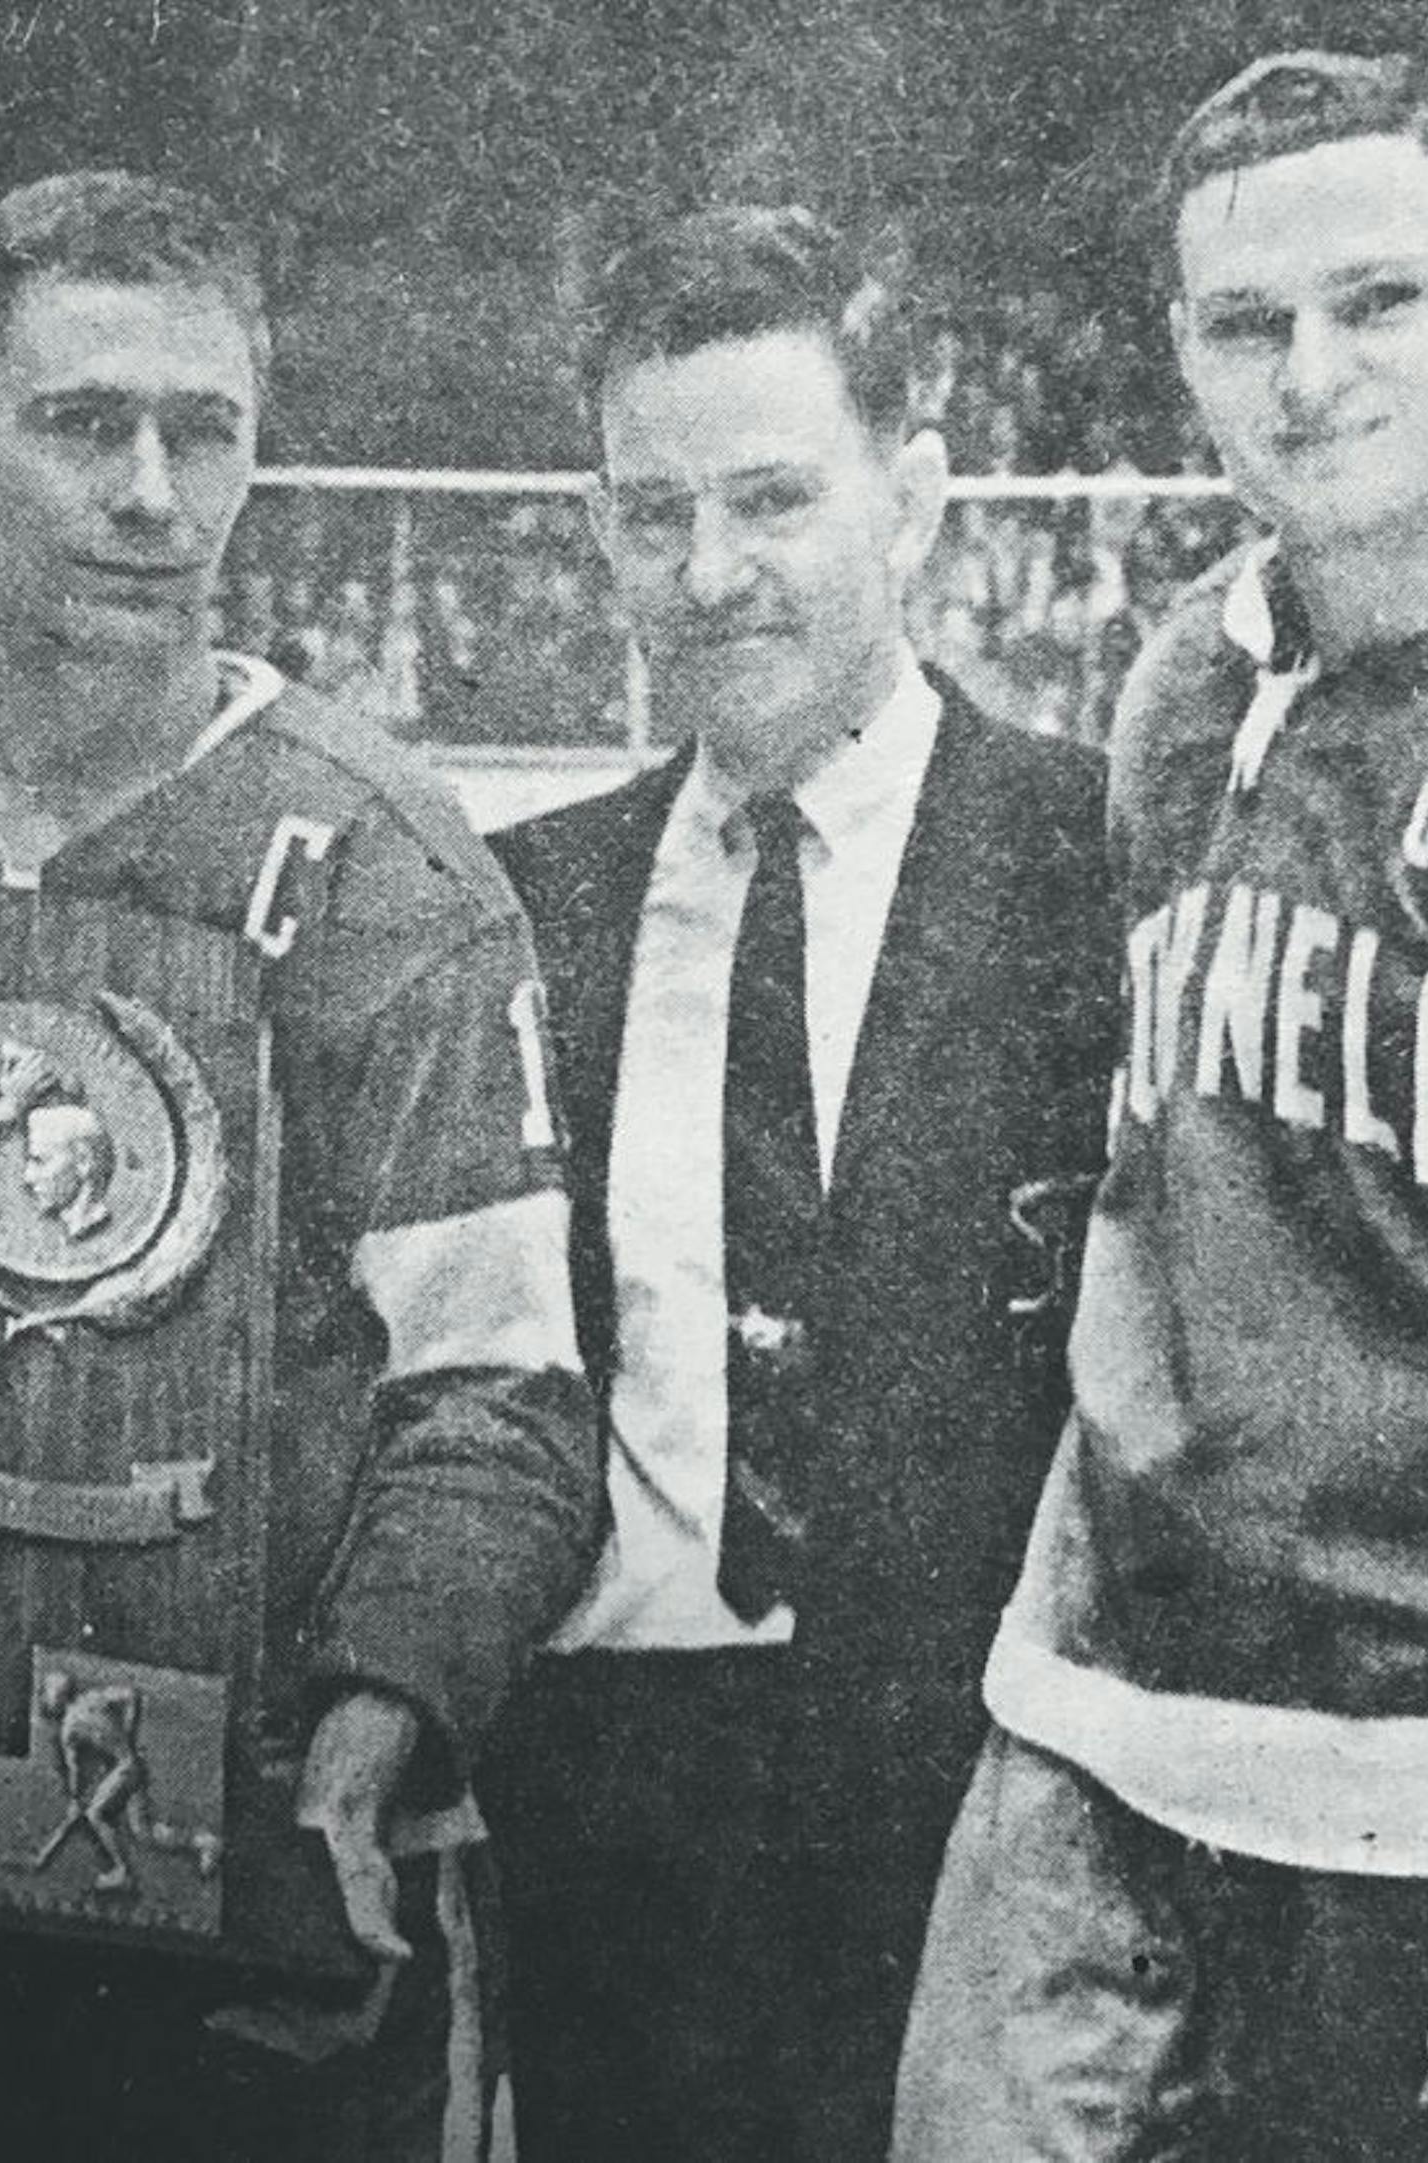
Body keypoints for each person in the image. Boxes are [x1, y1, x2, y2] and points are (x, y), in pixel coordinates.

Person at [894, 50, 1428, 2163]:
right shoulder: (1183, 676)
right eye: (1246, 322)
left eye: (1376, 301)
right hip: (1111, 1742)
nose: (1308, 374)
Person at [0, 171, 599, 2162]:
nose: (153, 496)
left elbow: (503, 1399)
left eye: (202, 432)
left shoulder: (385, 869)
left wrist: (380, 1712)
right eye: (85, 424)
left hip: (250, 1906)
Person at [481, 205, 1118, 2162]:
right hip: (610, 1806)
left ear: (910, 500)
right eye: (652, 514)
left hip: (976, 1796)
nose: (708, 572)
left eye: (769, 501)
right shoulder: (529, 900)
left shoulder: (1091, 862)